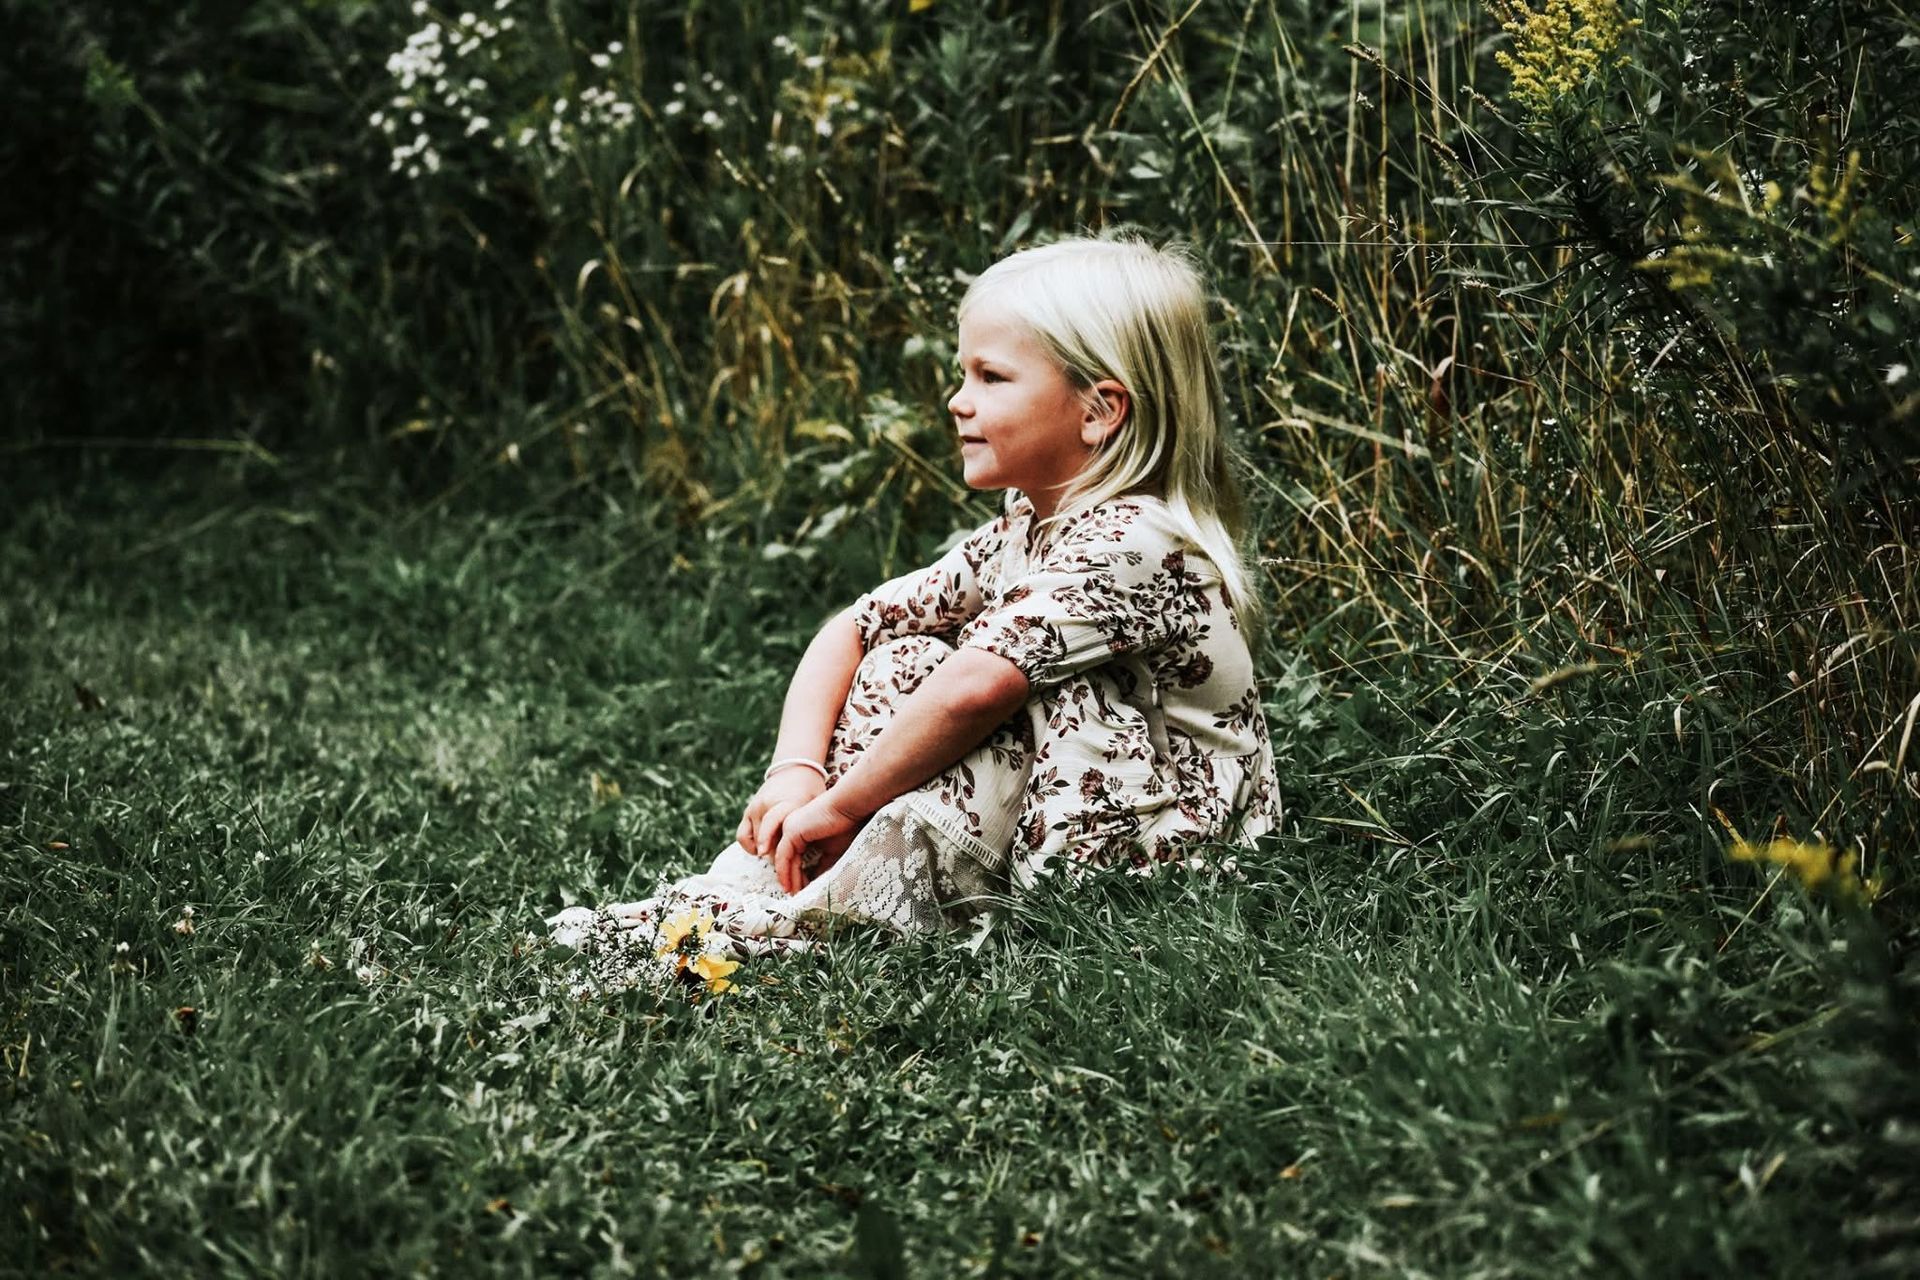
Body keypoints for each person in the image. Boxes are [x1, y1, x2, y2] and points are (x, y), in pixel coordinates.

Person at [548, 231, 1281, 984]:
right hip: (1069, 819)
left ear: (1099, 411)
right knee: (903, 657)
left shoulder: (1137, 540)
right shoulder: (1023, 530)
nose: (957, 401)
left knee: (1009, 688)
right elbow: (854, 627)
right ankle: (798, 886)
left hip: (1174, 852)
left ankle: (844, 911)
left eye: (991, 377)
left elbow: (978, 688)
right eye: (962, 373)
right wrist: (794, 775)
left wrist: (841, 804)